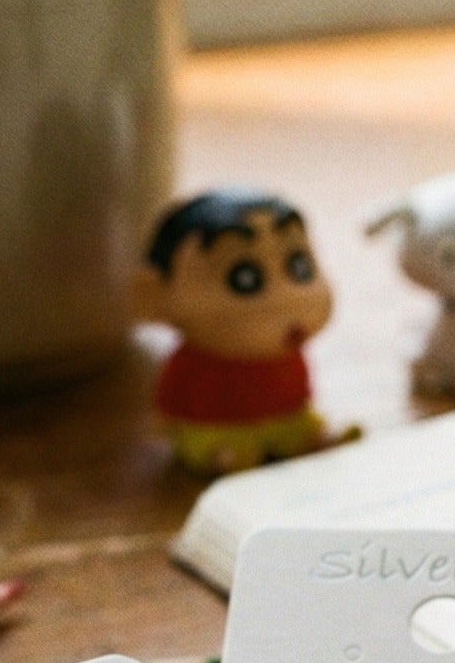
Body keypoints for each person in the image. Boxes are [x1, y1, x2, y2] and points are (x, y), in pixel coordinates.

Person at [145, 189, 352, 475]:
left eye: (299, 267)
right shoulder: (196, 362)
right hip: (213, 428)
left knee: (301, 429)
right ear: (153, 296)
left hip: (287, 418)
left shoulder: (287, 354)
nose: (287, 296)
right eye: (245, 279)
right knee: (211, 446)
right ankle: (220, 455)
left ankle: (308, 437)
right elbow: (171, 403)